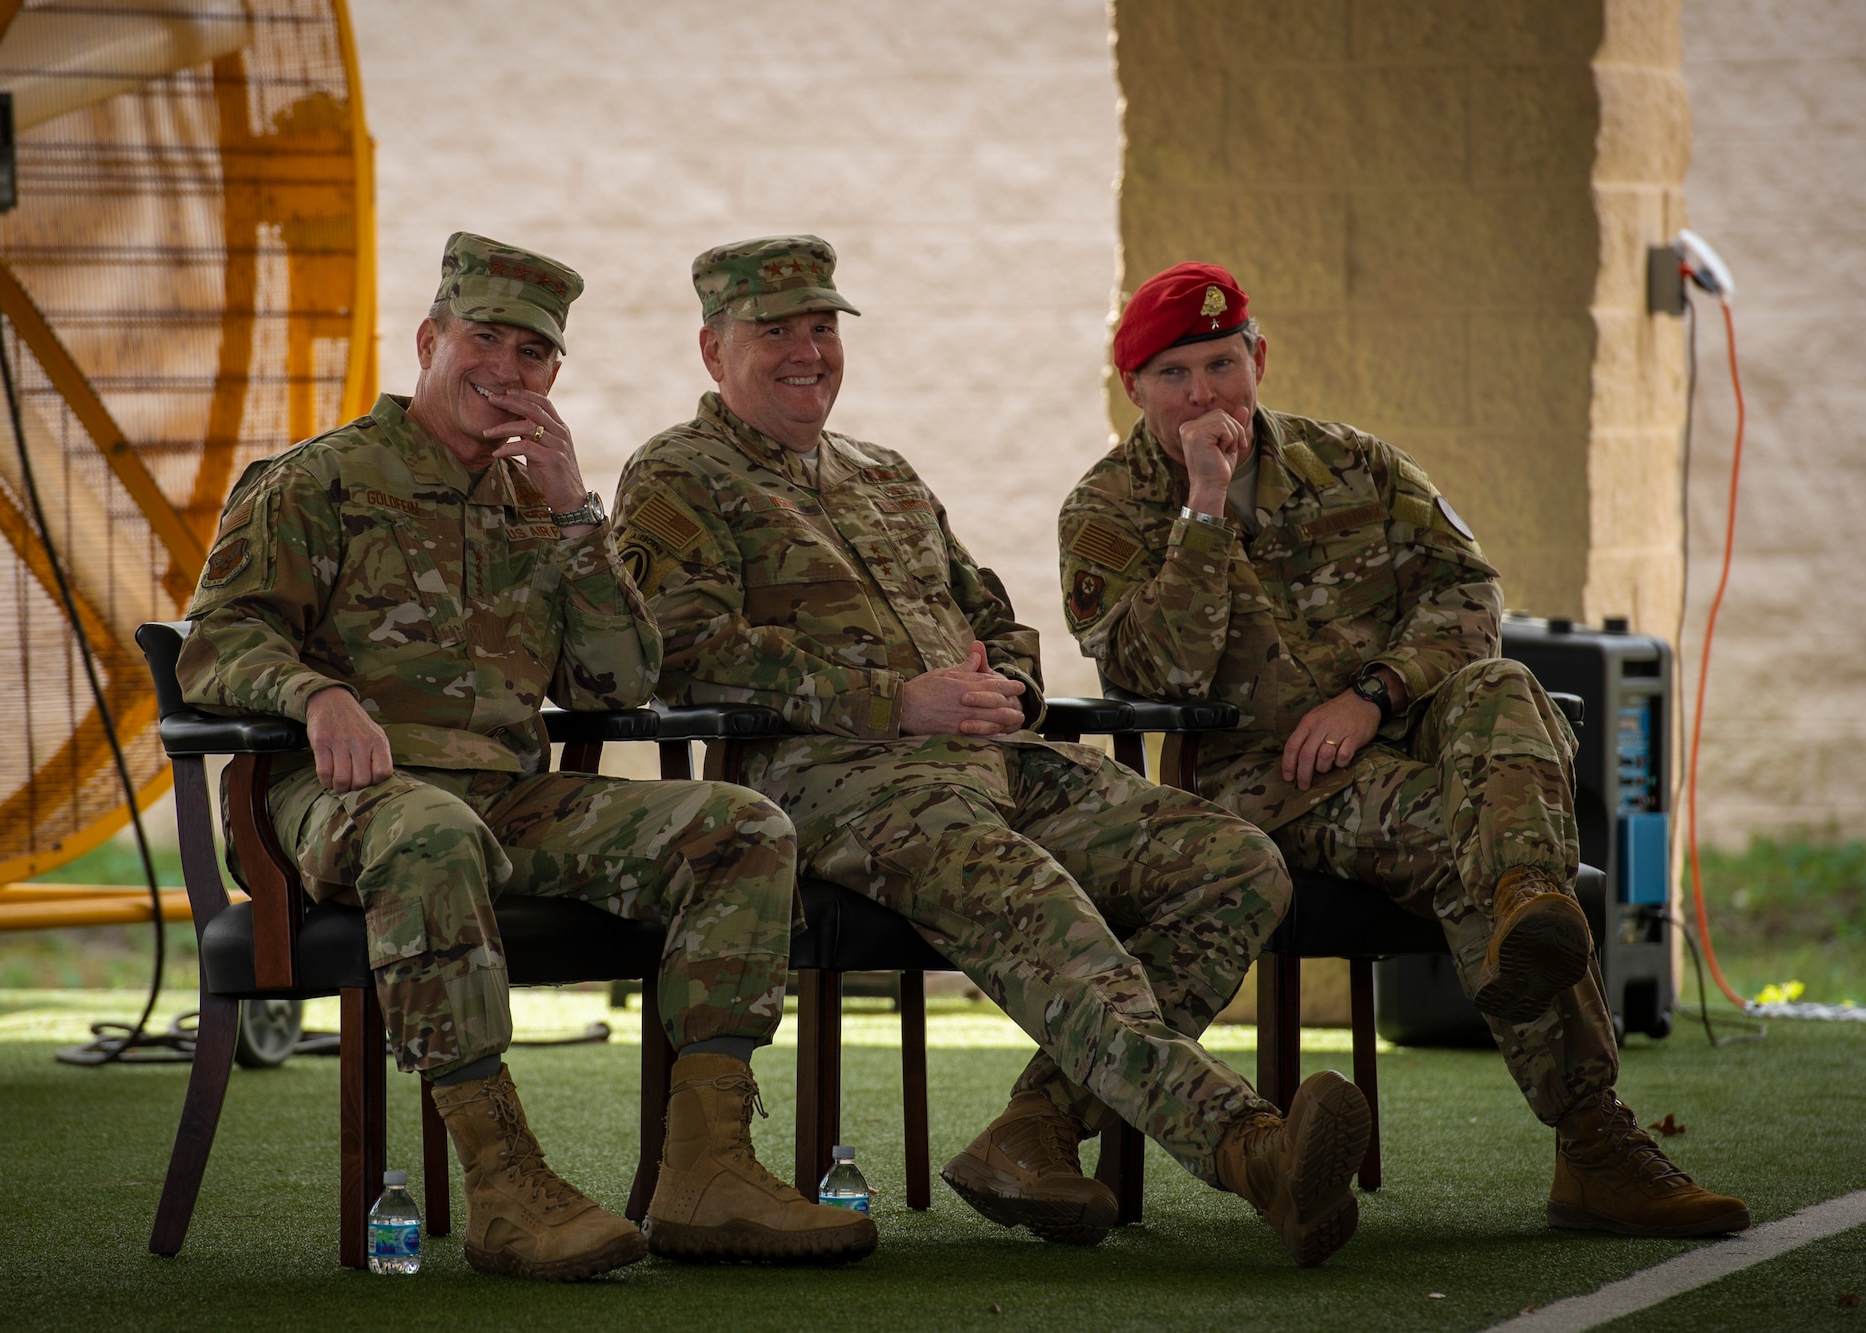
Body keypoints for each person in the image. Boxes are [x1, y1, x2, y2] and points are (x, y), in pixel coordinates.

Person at [614, 234, 1372, 1268]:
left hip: (994, 761)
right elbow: (682, 653)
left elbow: (993, 616)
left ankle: (1032, 1131)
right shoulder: (674, 474)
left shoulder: (883, 473)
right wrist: (894, 698)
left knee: (1236, 863)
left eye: (823, 327)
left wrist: (1005, 683)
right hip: (838, 784)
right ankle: (1252, 1148)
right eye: (774, 331)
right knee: (1034, 900)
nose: (808, 351)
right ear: (713, 349)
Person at [177, 232, 876, 1280]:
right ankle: (504, 1186)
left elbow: (615, 682)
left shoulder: (535, 506)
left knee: (740, 827)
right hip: (341, 796)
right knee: (428, 833)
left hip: (507, 796)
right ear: (429, 339)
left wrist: (574, 518)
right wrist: (314, 692)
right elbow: (216, 638)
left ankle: (707, 1168)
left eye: (535, 355)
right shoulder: (316, 482)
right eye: (484, 339)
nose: (507, 370)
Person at [1059, 261, 1749, 1239]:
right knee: (1472, 838)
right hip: (1266, 784)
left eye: (1222, 362)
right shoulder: (1102, 512)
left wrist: (1369, 693)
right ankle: (1593, 1143)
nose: (1204, 394)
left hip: (1406, 727)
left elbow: (1471, 599)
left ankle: (1526, 901)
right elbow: (1158, 673)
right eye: (1174, 374)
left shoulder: (1355, 463)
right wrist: (1203, 508)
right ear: (1130, 387)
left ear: (1258, 357)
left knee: (1503, 688)